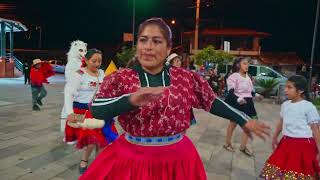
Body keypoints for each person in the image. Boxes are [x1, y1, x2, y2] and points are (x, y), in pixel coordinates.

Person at [80, 18, 270, 180]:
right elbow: (97, 108)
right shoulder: (120, 78)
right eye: (143, 40)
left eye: (156, 41)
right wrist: (130, 100)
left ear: (168, 47)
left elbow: (210, 101)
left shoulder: (185, 77)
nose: (148, 47)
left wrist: (243, 119)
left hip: (178, 159)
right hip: (132, 159)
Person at [64, 49, 118, 174]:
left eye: (99, 61)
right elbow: (68, 93)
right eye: (94, 61)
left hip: (100, 111)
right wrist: (69, 112)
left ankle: (97, 164)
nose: (97, 64)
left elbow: (106, 89)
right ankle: (84, 160)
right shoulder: (79, 74)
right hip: (83, 112)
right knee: (91, 141)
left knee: (102, 141)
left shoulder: (101, 73)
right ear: (87, 60)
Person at [260, 75, 320, 179]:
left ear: (300, 90)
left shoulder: (309, 107)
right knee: (278, 171)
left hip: (303, 146)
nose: (286, 90)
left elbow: (315, 130)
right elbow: (281, 122)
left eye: (289, 87)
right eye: (285, 87)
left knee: (297, 173)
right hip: (286, 143)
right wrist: (274, 137)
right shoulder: (285, 105)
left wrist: (319, 150)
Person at [224, 57, 263, 156]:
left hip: (248, 103)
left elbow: (251, 92)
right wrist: (238, 99)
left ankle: (243, 147)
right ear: (238, 65)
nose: (247, 66)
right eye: (244, 64)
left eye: (248, 64)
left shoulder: (248, 77)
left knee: (248, 126)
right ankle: (227, 143)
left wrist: (257, 95)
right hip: (238, 102)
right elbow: (230, 93)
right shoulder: (233, 76)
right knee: (233, 124)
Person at [60, 40, 87, 142]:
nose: (83, 53)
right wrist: (83, 70)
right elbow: (70, 77)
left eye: (85, 50)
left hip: (79, 91)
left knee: (77, 113)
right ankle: (70, 136)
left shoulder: (81, 62)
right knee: (70, 112)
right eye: (80, 50)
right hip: (73, 90)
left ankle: (75, 135)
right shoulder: (73, 62)